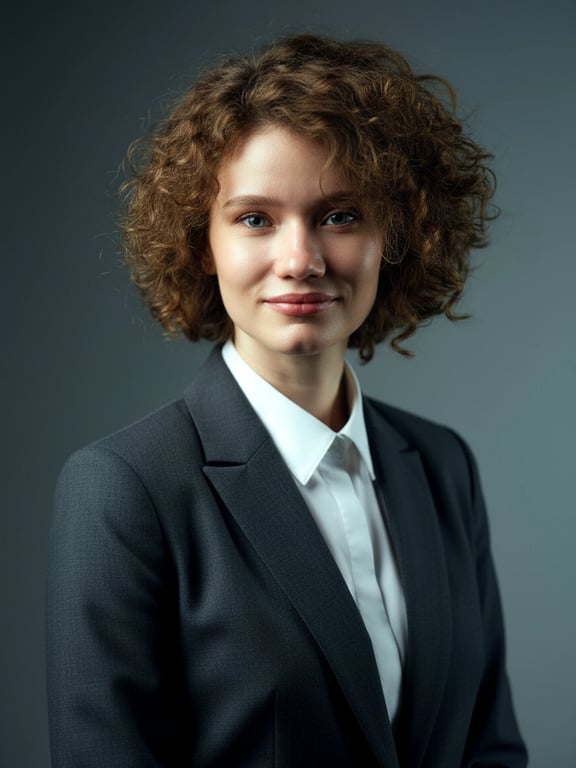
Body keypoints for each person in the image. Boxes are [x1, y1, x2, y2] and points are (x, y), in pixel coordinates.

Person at [46, 34, 528, 767]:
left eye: (340, 215)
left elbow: (491, 748)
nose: (300, 259)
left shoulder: (441, 465)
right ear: (202, 243)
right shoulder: (124, 489)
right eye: (255, 219)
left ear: (395, 234)